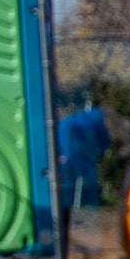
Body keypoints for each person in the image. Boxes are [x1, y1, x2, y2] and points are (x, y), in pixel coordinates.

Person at [54, 97, 113, 229]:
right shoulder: (72, 125)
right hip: (73, 166)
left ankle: (66, 223)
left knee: (67, 197)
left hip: (72, 166)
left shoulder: (72, 124)